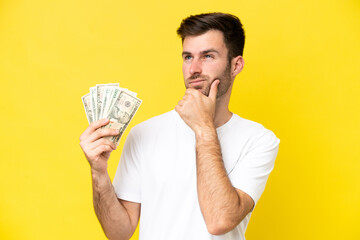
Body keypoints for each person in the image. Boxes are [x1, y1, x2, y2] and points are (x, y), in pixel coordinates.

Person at [80, 12, 280, 240]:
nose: (194, 69)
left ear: (236, 65)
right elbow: (119, 233)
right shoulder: (144, 134)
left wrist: (204, 128)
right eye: (187, 57)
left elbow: (220, 221)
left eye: (208, 56)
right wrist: (98, 172)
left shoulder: (258, 140)